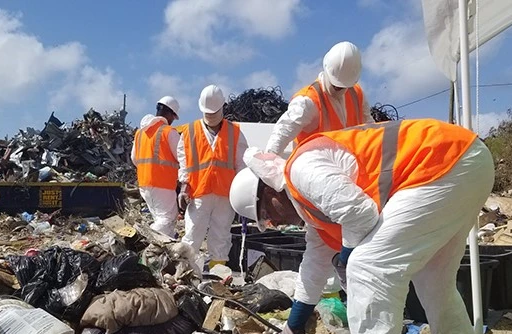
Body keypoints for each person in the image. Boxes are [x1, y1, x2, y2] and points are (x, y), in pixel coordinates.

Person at [229, 119, 494, 334]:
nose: (272, 223)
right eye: (264, 223)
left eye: (265, 215)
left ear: (269, 191)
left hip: (441, 162)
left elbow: (361, 214)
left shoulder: (301, 170)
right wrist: (290, 332)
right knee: (434, 278)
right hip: (463, 162)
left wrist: (346, 258)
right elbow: (313, 268)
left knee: (367, 266)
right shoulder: (311, 210)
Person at [177, 85, 248, 269]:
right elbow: (184, 161)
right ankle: (186, 272)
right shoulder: (190, 131)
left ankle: (218, 273)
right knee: (192, 234)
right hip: (198, 191)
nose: (211, 117)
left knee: (221, 235)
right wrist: (184, 187)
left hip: (225, 193)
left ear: (223, 108)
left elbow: (241, 164)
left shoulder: (235, 132)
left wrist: (242, 195)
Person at [265, 41, 373, 156]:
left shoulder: (357, 94)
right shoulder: (308, 100)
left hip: (349, 162)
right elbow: (283, 131)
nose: (338, 89)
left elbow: (370, 128)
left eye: (342, 87)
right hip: (313, 165)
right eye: (335, 85)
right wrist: (269, 160)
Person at [131, 96, 182, 237]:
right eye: (173, 117)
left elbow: (134, 159)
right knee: (168, 218)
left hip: (144, 184)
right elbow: (183, 158)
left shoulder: (140, 133)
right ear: (170, 113)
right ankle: (146, 239)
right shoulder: (169, 132)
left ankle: (162, 250)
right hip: (162, 184)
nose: (172, 120)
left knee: (160, 219)